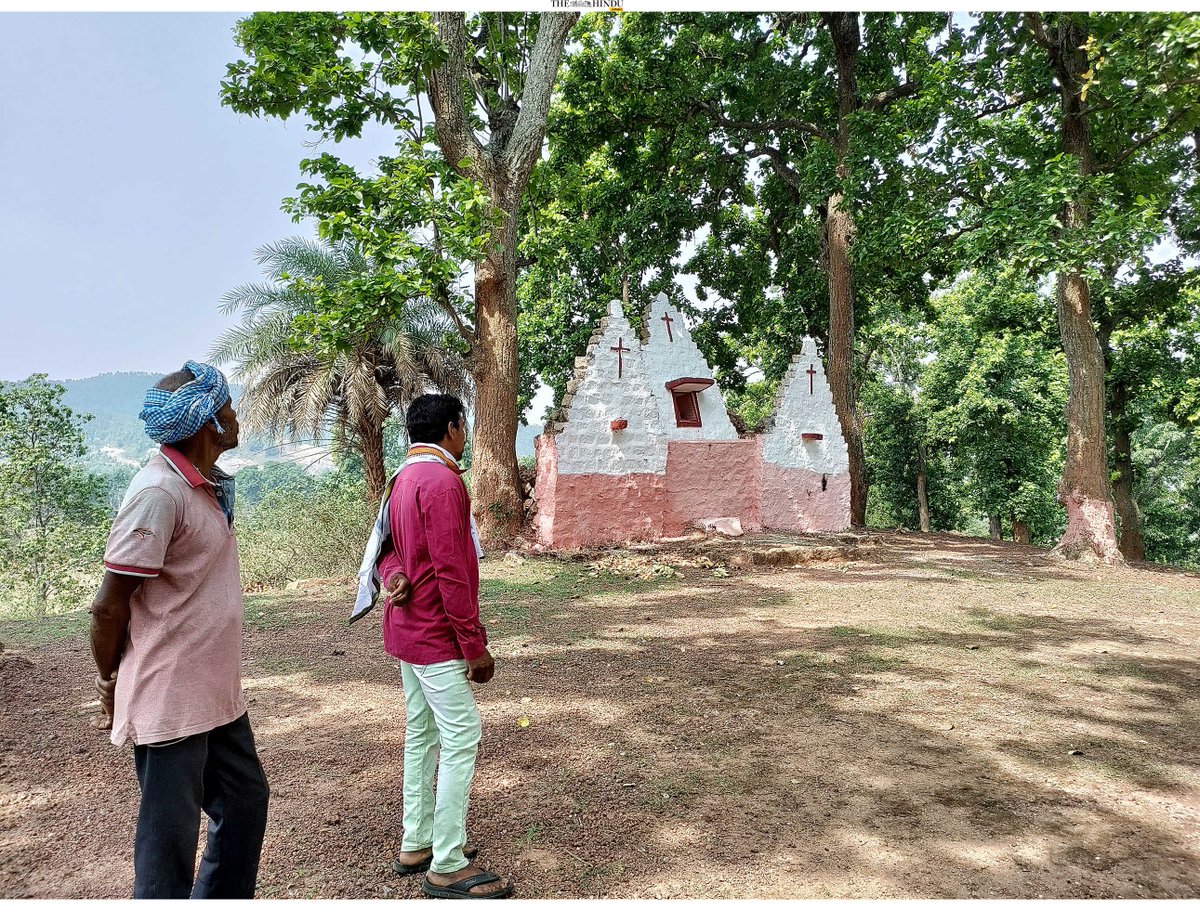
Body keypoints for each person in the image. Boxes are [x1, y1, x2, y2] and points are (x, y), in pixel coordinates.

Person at [89, 361, 269, 899]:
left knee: (244, 804)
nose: (236, 416)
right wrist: (108, 678)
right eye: (228, 407)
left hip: (215, 693)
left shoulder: (201, 486)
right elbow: (108, 606)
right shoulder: (159, 493)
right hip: (170, 696)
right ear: (208, 422)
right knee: (168, 843)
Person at [352, 393, 512, 899]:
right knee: (462, 735)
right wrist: (474, 644)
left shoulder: (403, 479)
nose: (465, 434)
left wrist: (394, 575)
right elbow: (451, 570)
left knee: (423, 734)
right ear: (452, 427)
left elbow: (385, 549)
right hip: (435, 633)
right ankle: (446, 863)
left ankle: (417, 841)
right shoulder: (442, 481)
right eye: (464, 425)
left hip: (408, 630)